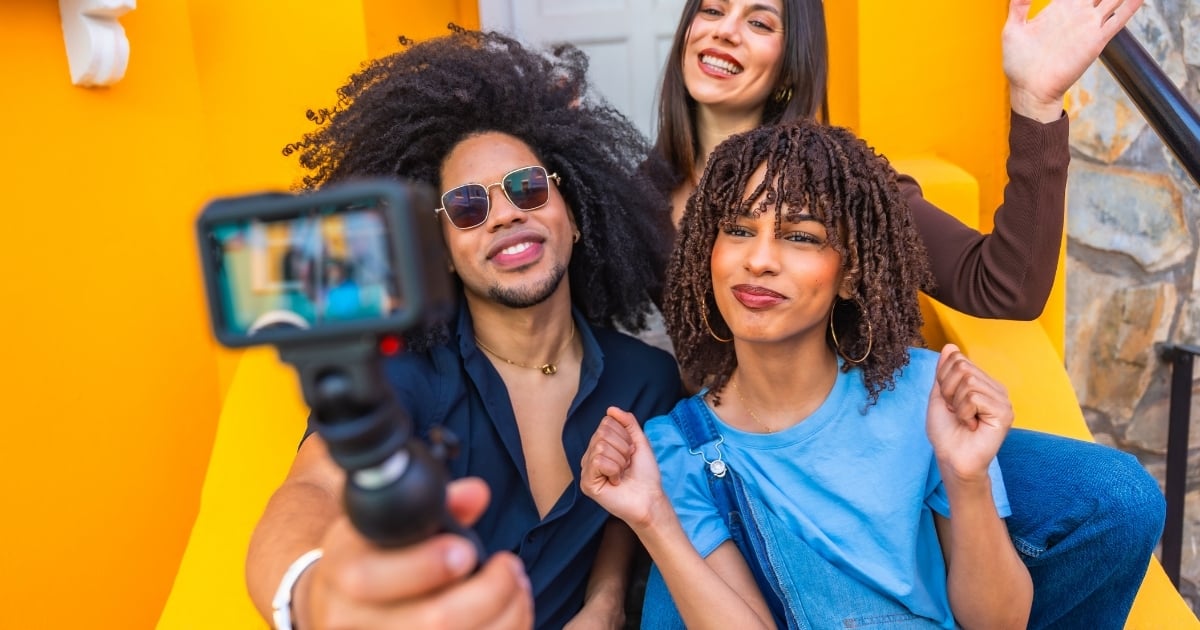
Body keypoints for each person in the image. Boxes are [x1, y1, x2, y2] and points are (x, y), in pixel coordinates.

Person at [646, 0, 1162, 626]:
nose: (725, 29)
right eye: (712, 10)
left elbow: (1005, 286)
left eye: (759, 21)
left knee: (1115, 498)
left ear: (792, 62)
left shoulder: (847, 186)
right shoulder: (628, 202)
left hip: (870, 444)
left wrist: (1035, 101)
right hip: (721, 465)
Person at [245, 30, 682, 629]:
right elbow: (315, 489)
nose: (505, 213)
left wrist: (604, 601)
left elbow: (625, 511)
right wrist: (314, 593)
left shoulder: (647, 380)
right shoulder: (403, 374)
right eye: (468, 208)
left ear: (574, 216)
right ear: (444, 252)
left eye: (528, 188)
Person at [584, 117, 1034, 629]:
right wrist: (652, 519)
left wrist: (968, 477)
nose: (759, 260)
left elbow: (1000, 625)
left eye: (800, 236)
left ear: (851, 276)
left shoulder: (928, 399)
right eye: (737, 230)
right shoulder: (674, 447)